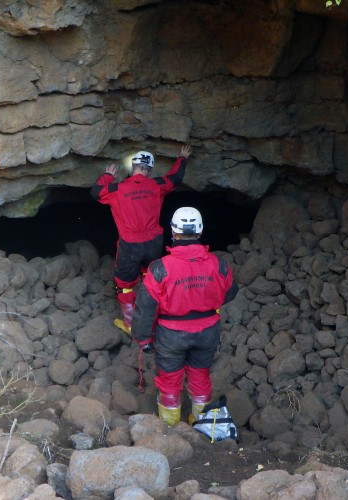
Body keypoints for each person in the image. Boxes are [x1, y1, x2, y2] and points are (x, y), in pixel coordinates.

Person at [132, 207, 239, 427]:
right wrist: (205, 303)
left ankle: (171, 429)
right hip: (207, 331)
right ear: (200, 231)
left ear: (173, 231)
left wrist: (143, 339)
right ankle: (202, 424)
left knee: (170, 382)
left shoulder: (160, 268)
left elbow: (145, 307)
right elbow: (231, 291)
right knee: (200, 376)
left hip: (171, 335)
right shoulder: (218, 264)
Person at [90, 145, 191, 335]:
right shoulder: (156, 185)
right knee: (151, 277)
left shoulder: (117, 189)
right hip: (154, 243)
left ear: (132, 168)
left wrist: (107, 176)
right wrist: (182, 158)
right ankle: (156, 316)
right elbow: (175, 178)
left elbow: (96, 192)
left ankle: (130, 325)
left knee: (124, 285)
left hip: (130, 246)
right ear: (150, 171)